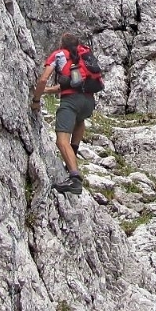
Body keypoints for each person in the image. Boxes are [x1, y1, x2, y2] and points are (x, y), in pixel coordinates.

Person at [30, 33, 99, 195]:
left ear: (62, 44)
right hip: (88, 102)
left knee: (61, 141)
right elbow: (71, 85)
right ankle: (72, 154)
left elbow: (42, 80)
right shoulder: (83, 56)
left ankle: (74, 179)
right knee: (79, 120)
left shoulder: (58, 55)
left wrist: (36, 100)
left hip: (71, 102)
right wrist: (47, 91)